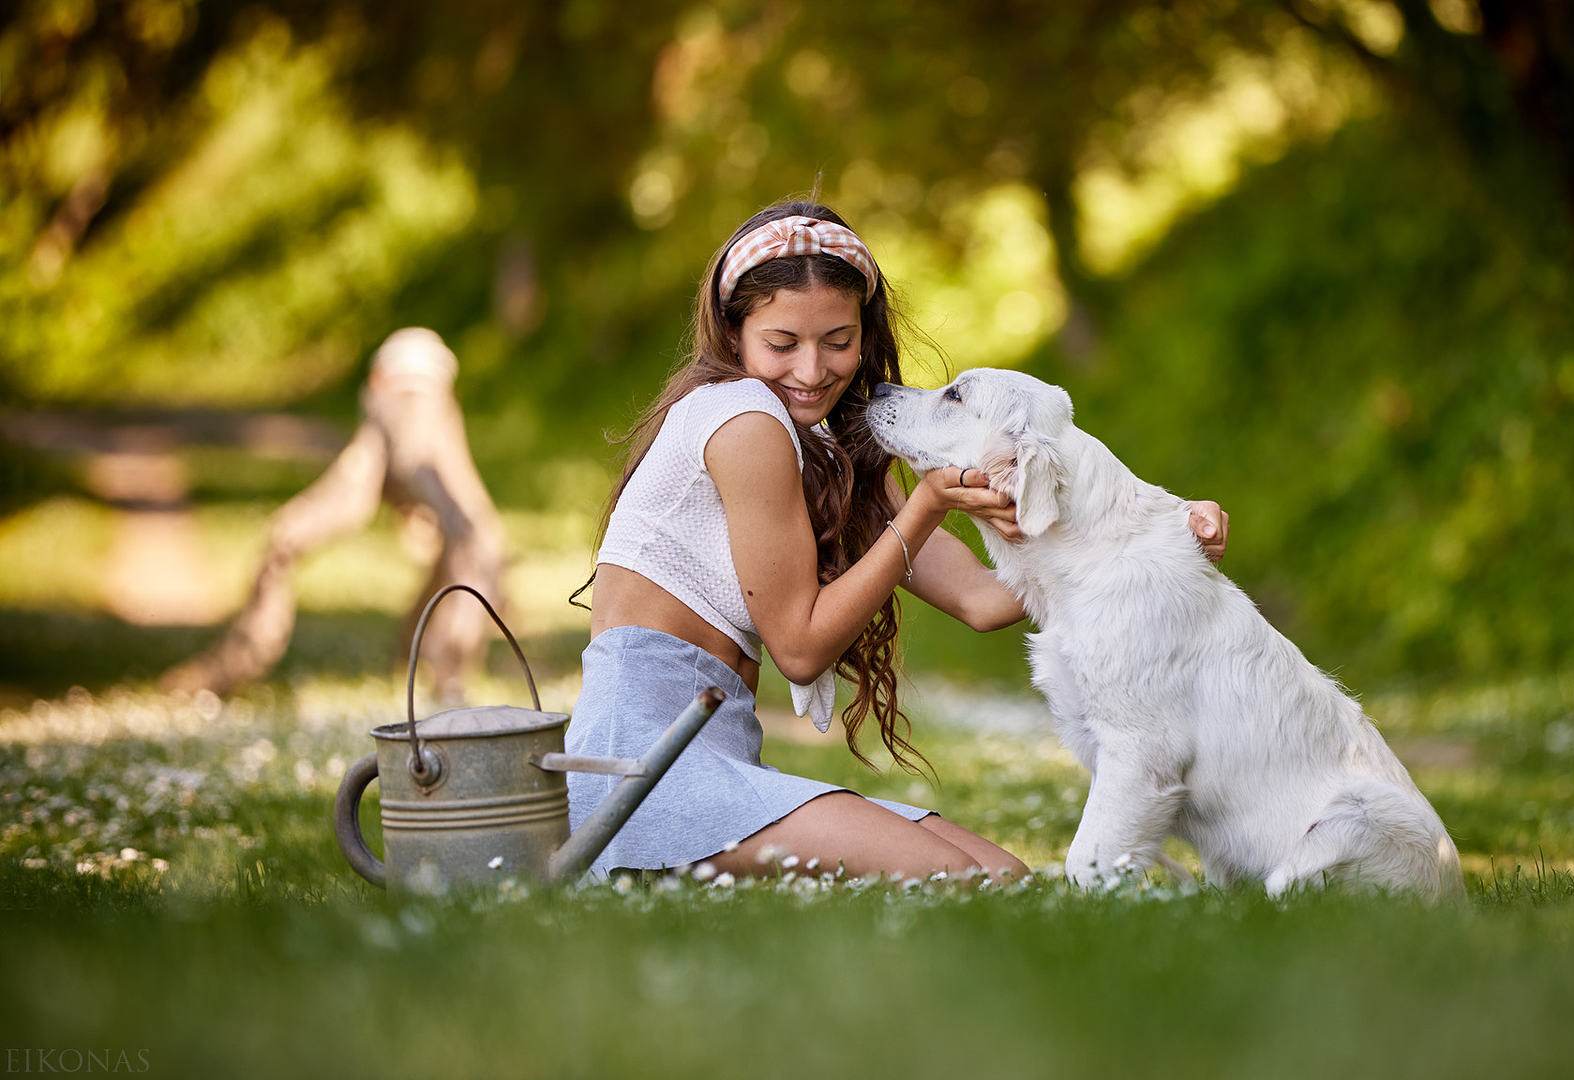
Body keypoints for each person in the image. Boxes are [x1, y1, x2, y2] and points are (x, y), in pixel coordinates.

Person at [565, 200, 1229, 884]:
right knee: (973, 882)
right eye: (783, 342)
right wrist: (926, 504)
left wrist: (1164, 535)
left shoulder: (821, 447)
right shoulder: (743, 419)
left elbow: (981, 598)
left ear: (864, 331)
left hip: (714, 761)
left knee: (1007, 876)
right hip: (643, 774)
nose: (813, 368)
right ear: (735, 334)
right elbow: (798, 648)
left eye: (838, 340)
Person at [161, 328, 506, 702]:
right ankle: (445, 674)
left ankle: (423, 661)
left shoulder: (397, 406)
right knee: (473, 537)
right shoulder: (425, 414)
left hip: (397, 407)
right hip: (407, 411)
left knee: (289, 535)